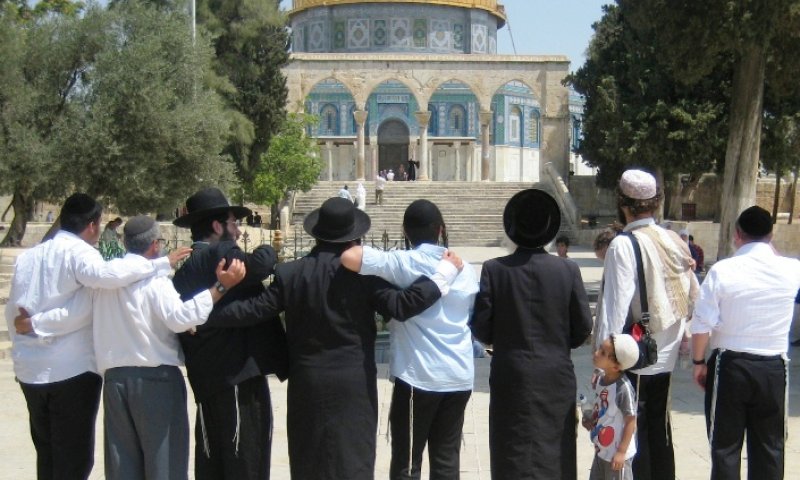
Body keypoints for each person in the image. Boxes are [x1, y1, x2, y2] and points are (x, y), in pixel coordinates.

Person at [208, 197, 463, 480]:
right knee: (353, 459)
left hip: (308, 381)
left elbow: (251, 311)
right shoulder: (364, 276)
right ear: (353, 234)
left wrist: (204, 311)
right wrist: (442, 277)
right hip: (354, 383)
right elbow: (401, 306)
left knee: (309, 459)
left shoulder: (292, 274)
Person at [26, 216, 248, 479]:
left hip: (115, 380)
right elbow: (180, 318)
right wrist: (220, 287)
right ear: (155, 245)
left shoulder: (106, 284)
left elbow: (77, 313)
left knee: (123, 466)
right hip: (156, 380)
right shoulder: (155, 280)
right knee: (164, 464)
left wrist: (34, 323)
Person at [5, 193, 189, 480]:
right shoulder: (80, 253)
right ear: (92, 225)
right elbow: (104, 280)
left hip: (31, 370)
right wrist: (160, 264)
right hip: (70, 370)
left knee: (48, 458)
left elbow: (15, 314)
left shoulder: (29, 257)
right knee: (73, 461)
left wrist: (26, 339)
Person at [340, 199, 478, 479]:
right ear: (440, 230)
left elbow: (349, 257)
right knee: (446, 460)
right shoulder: (467, 269)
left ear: (405, 231)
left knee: (407, 462)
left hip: (419, 376)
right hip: (459, 375)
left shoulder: (403, 263)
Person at [471, 189, 593, 479]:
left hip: (511, 373)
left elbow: (481, 327)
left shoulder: (494, 270)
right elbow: (583, 327)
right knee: (556, 447)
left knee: (510, 447)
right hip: (555, 373)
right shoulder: (567, 270)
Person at [172, 187, 287, 480]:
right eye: (234, 223)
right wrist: (269, 248)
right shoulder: (220, 253)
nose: (237, 232)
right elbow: (260, 265)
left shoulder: (183, 273)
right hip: (237, 377)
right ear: (216, 226)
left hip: (207, 382)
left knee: (214, 462)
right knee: (246, 460)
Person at [594, 169, 698, 480]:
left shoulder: (625, 245)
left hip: (634, 357)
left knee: (632, 435)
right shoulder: (673, 239)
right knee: (659, 434)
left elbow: (614, 308)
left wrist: (602, 364)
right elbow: (693, 294)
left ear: (623, 203)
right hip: (664, 356)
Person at [691, 206, 800, 479]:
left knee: (725, 446)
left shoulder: (723, 270)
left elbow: (701, 322)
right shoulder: (792, 269)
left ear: (737, 235)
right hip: (774, 366)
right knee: (770, 446)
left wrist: (698, 362)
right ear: (771, 234)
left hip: (731, 364)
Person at [584, 334, 639, 480]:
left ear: (616, 366)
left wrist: (621, 452)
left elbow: (631, 422)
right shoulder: (599, 379)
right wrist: (590, 419)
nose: (596, 353)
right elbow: (601, 408)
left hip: (616, 457)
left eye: (602, 353)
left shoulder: (623, 388)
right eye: (599, 349)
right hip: (601, 450)